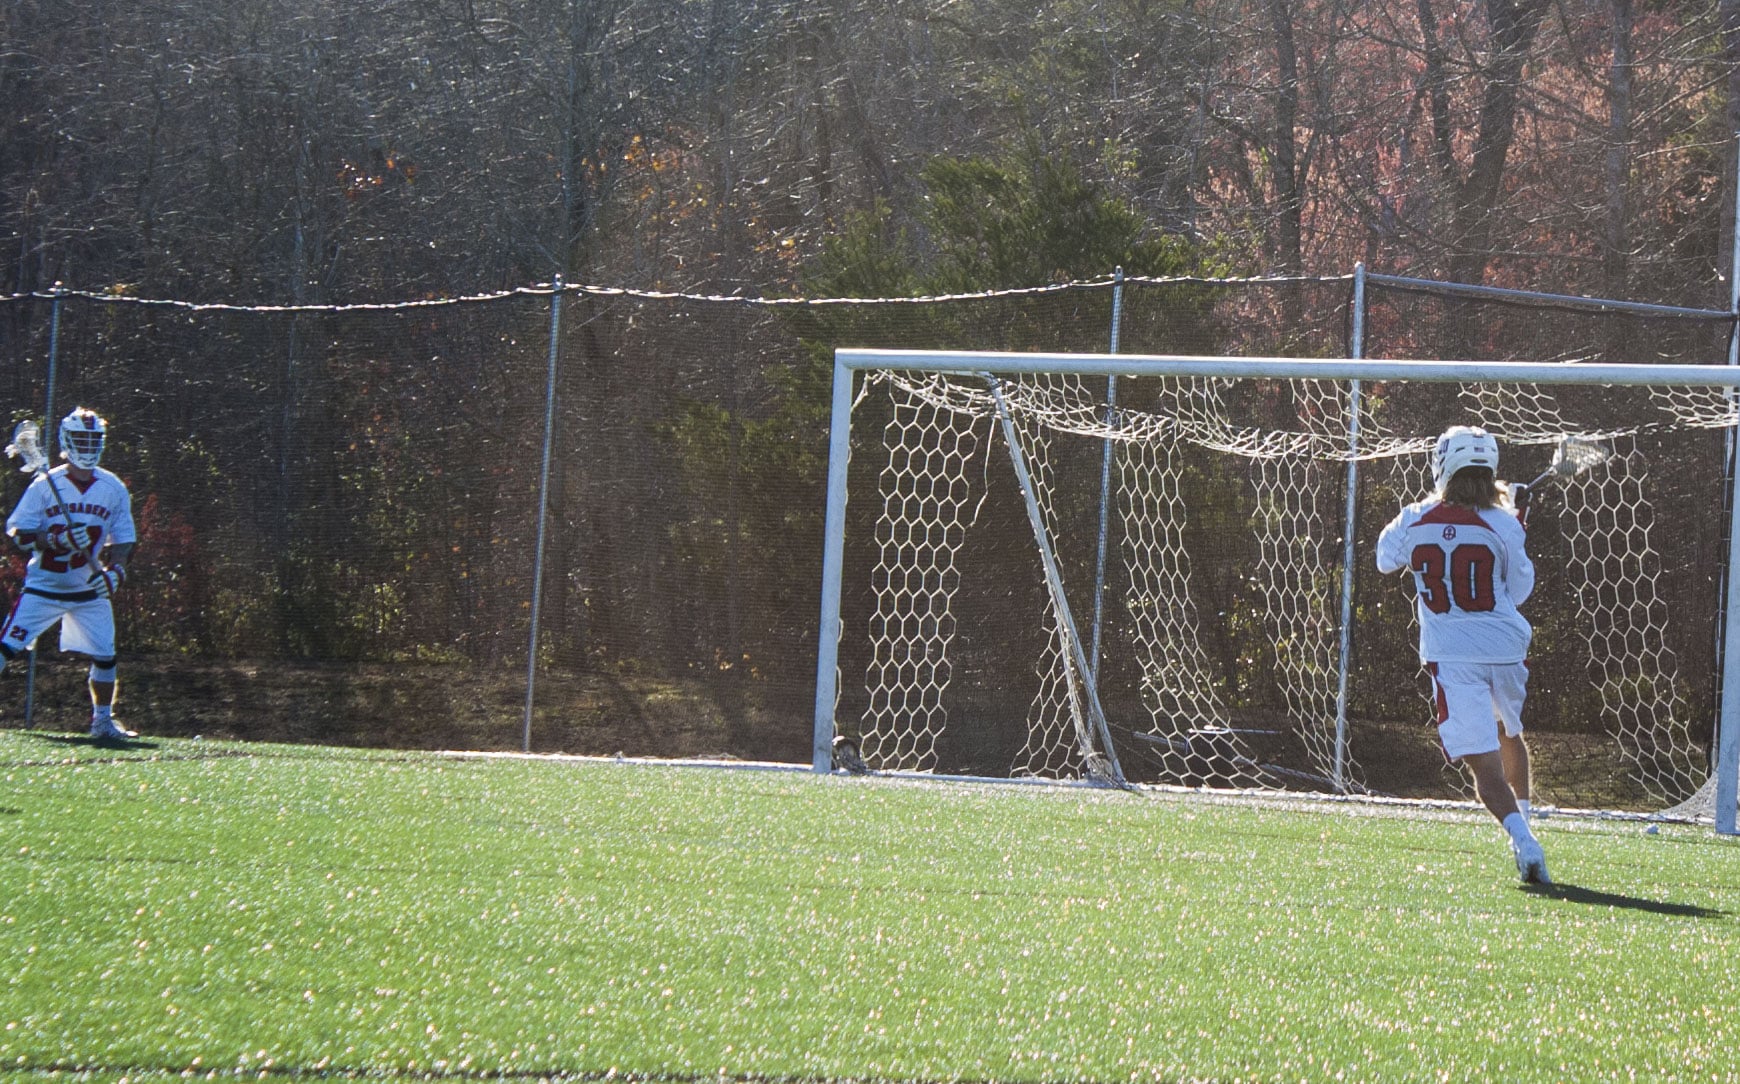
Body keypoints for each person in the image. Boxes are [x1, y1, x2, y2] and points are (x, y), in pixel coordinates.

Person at [1375, 425, 1549, 884]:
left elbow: (1383, 559)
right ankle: (1526, 824)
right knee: (1508, 730)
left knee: (1485, 767)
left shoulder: (1414, 516)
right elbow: (1519, 591)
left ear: (1441, 465)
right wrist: (1516, 523)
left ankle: (1523, 839)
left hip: (1452, 655)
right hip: (1507, 649)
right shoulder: (1505, 523)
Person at [1, 407, 138, 741]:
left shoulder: (112, 487)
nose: (87, 446)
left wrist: (116, 571)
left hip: (89, 590)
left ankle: (103, 722)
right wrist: (54, 538)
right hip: (43, 587)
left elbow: (125, 540)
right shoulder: (45, 485)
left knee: (106, 655)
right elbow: (17, 532)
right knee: (6, 648)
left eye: (93, 439)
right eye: (81, 439)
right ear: (67, 441)